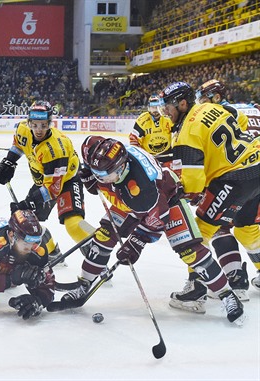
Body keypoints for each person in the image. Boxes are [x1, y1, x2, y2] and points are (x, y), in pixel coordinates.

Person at [62, 136, 245, 324]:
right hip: (129, 201)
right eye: (97, 172)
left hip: (166, 201)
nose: (102, 178)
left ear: (121, 166)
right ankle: (84, 284)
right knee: (104, 236)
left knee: (190, 251)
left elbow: (156, 218)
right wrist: (89, 175)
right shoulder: (103, 151)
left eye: (103, 174)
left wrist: (135, 243)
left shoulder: (141, 187)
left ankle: (227, 295)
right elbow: (94, 160)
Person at [159, 81, 260, 303]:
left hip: (234, 179)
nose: (165, 112)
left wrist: (178, 192)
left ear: (183, 104)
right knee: (247, 229)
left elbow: (193, 184)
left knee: (199, 232)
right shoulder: (211, 107)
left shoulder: (187, 132)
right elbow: (239, 118)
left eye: (168, 106)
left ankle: (197, 291)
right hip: (256, 166)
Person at [0, 100, 95, 252]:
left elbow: (53, 190)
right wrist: (9, 161)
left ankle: (96, 253)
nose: (39, 130)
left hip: (68, 179)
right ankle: (52, 250)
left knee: (72, 222)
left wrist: (28, 202)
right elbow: (19, 144)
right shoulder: (23, 129)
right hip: (45, 180)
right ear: (28, 123)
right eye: (34, 125)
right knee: (29, 221)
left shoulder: (54, 148)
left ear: (50, 123)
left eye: (43, 125)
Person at [192, 78, 259, 300]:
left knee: (218, 227)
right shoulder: (248, 111)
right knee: (247, 229)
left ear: (216, 97)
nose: (200, 104)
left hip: (237, 178)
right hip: (255, 174)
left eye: (203, 99)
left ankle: (234, 280)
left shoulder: (218, 116)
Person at [128, 94, 176, 174]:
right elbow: (133, 139)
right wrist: (140, 157)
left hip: (167, 156)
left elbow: (177, 134)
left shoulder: (168, 118)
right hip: (149, 158)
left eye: (157, 107)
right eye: (153, 108)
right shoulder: (142, 120)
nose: (155, 111)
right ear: (149, 108)